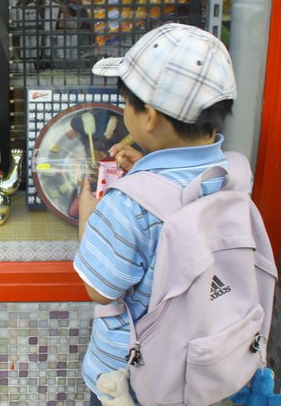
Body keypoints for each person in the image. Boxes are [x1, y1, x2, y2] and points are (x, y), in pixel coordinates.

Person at [74, 23, 238, 405]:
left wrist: (89, 218)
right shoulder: (229, 174)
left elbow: (99, 290)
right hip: (203, 368)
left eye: (126, 101)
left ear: (148, 116)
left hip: (134, 379)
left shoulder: (127, 203)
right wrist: (150, 165)